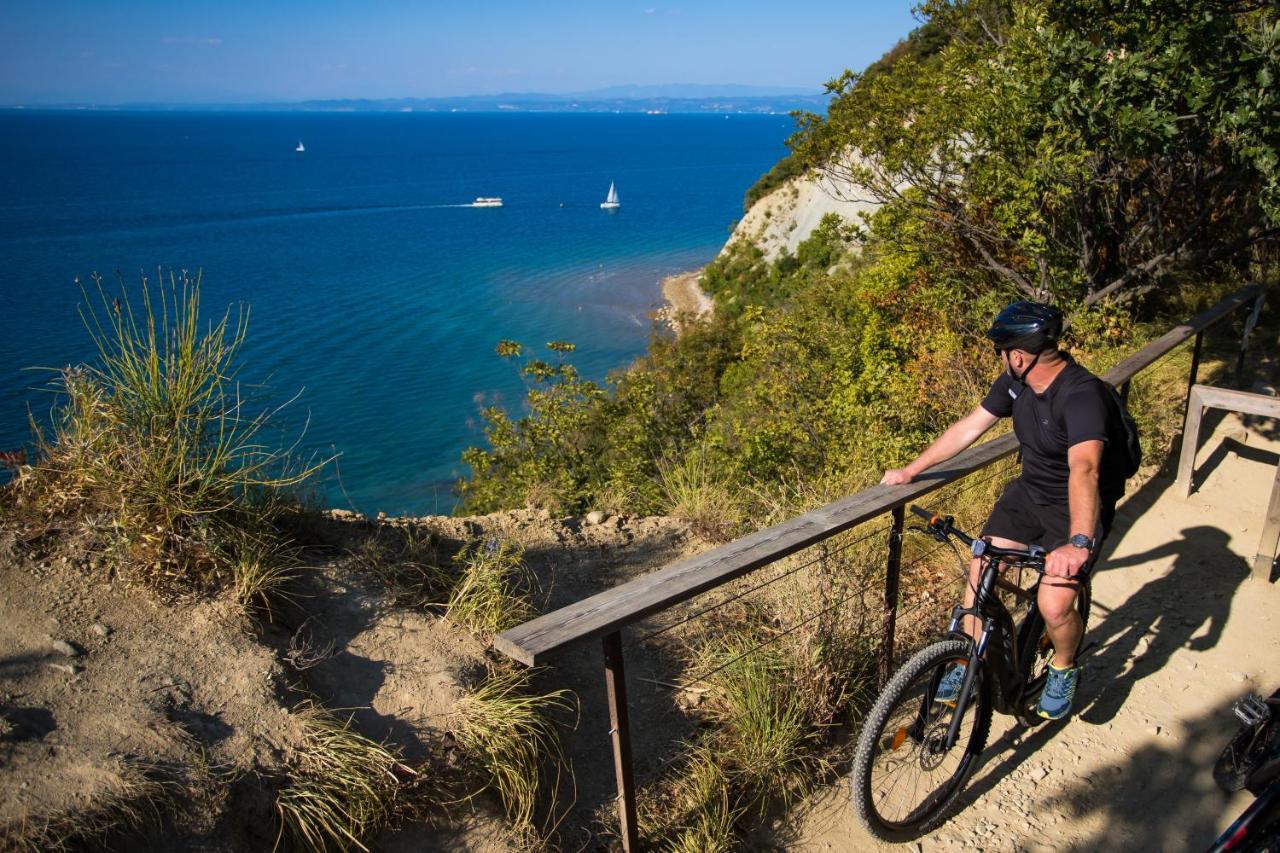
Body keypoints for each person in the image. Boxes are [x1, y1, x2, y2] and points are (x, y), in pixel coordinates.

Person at [881, 301, 1127, 720]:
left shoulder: (1083, 395)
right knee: (980, 575)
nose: (1001, 359)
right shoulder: (1016, 385)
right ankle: (965, 665)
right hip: (1027, 495)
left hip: (1074, 509)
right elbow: (970, 427)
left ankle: (1065, 666)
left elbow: (1085, 469)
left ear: (1018, 356)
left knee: (1054, 605)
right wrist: (912, 469)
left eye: (1001, 352)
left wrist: (1079, 542)